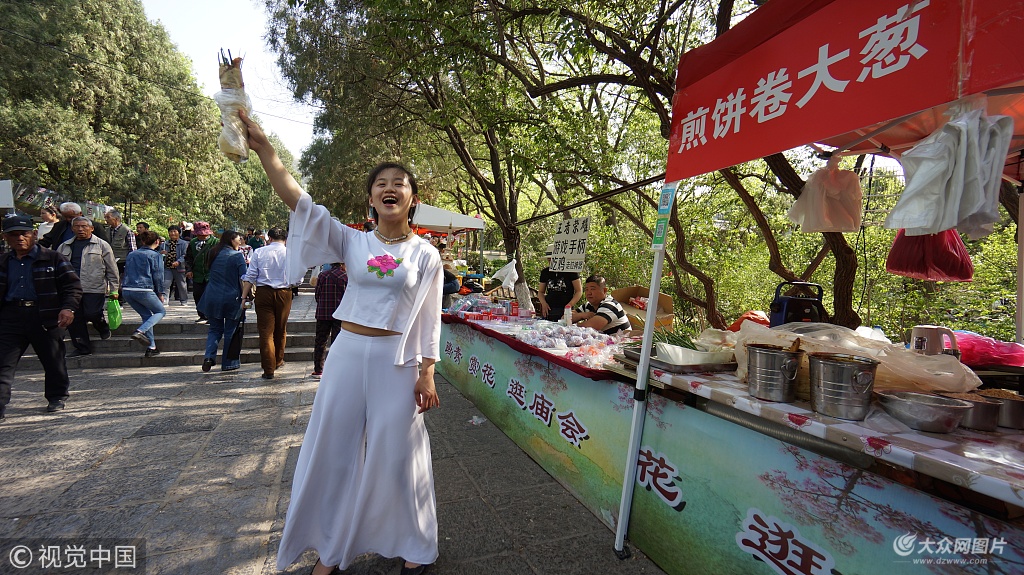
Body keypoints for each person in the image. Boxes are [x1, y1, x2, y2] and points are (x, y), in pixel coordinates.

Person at [240, 108, 442, 575]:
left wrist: (427, 372)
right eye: (381, 183)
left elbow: (430, 317)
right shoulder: (352, 241)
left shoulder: (426, 254)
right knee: (332, 448)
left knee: (400, 451)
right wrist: (266, 150)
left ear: (412, 198)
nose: (390, 188)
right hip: (348, 353)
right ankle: (329, 548)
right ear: (371, 198)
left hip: (397, 360)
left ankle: (415, 543)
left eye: (399, 183)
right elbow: (299, 201)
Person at [0, 215, 82, 421]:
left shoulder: (53, 258)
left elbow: (72, 286)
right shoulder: (3, 261)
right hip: (11, 316)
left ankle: (56, 396)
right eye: (14, 235)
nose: (20, 238)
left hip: (45, 315)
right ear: (5, 237)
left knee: (53, 360)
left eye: (24, 234)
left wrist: (68, 308)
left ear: (34, 234)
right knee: (3, 363)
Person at [57, 217, 119, 357]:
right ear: (72, 228)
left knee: (92, 313)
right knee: (74, 319)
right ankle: (82, 347)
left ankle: (102, 326)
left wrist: (114, 288)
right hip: (71, 289)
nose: (80, 229)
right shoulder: (64, 246)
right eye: (77, 226)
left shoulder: (101, 245)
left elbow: (112, 268)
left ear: (91, 228)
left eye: (84, 226)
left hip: (94, 286)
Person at [241, 227, 292, 380]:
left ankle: (268, 369)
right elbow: (298, 278)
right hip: (284, 292)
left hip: (263, 293)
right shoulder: (291, 253)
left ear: (269, 238)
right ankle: (278, 360)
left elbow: (250, 276)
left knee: (265, 331)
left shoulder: (259, 252)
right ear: (285, 239)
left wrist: (243, 297)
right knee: (281, 328)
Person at [197, 230, 247, 372]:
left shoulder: (213, 252)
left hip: (212, 296)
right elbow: (244, 276)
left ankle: (209, 357)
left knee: (214, 329)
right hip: (232, 297)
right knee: (231, 330)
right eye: (238, 238)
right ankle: (229, 363)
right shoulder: (237, 256)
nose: (240, 241)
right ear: (231, 239)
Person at [121, 230, 166, 357]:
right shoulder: (155, 255)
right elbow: (158, 275)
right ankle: (140, 331)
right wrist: (160, 292)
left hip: (127, 289)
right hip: (144, 289)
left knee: (146, 315)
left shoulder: (131, 254)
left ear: (142, 241)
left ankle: (151, 347)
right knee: (160, 311)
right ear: (157, 242)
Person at [311, 262, 347, 378]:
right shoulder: (344, 276)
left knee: (320, 341)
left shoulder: (323, 275)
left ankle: (318, 370)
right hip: (339, 314)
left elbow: (317, 294)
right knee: (337, 342)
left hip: (323, 312)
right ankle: (336, 369)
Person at [537, 243, 582, 321]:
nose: (551, 262)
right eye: (549, 260)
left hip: (566, 308)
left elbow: (579, 291)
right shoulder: (545, 272)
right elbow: (541, 292)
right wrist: (543, 303)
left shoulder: (571, 271)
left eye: (552, 259)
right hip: (549, 309)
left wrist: (570, 304)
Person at [185, 221, 218, 324]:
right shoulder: (192, 242)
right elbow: (188, 257)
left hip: (211, 274)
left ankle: (211, 316)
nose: (202, 236)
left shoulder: (215, 242)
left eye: (204, 235)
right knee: (197, 294)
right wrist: (189, 270)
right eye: (199, 234)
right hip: (197, 274)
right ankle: (202, 315)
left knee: (211, 296)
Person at [39, 201, 109, 248]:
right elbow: (46, 241)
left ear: (80, 213)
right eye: (65, 217)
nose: (68, 219)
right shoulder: (59, 226)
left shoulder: (95, 226)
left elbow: (105, 246)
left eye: (71, 217)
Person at [104, 209, 137, 297]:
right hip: (110, 260)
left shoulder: (126, 230)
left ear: (116, 219)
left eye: (108, 217)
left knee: (121, 281)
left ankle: (121, 298)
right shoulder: (107, 230)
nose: (106, 220)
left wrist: (131, 262)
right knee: (112, 279)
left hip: (122, 261)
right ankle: (113, 295)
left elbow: (132, 248)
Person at [160, 226, 189, 306]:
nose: (173, 233)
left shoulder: (184, 243)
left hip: (179, 267)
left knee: (181, 285)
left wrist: (178, 262)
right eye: (171, 231)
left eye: (175, 231)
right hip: (167, 267)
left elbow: (185, 255)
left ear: (179, 233)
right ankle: (165, 301)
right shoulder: (165, 244)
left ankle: (184, 300)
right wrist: (161, 253)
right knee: (165, 284)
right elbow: (159, 254)